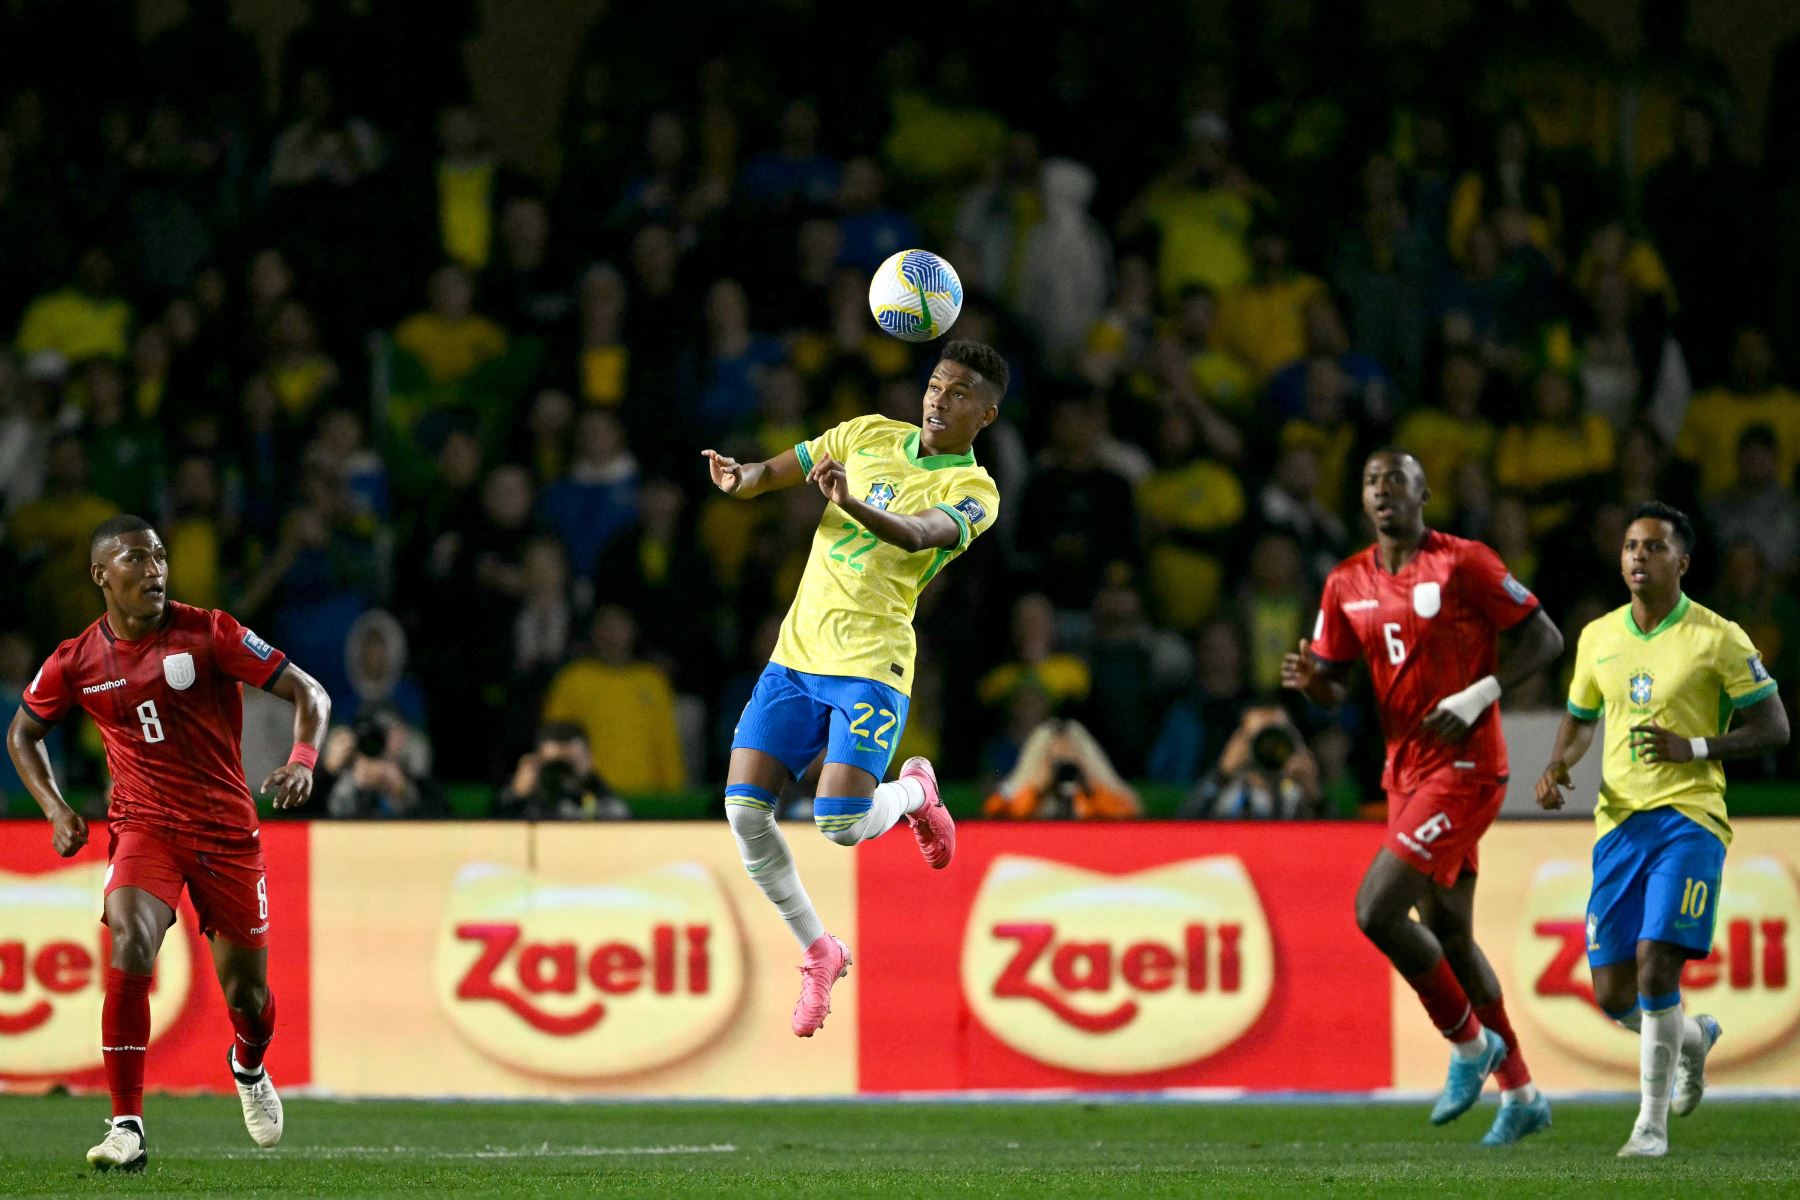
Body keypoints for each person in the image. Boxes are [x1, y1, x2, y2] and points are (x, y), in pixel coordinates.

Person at [4, 516, 330, 1171]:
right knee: (129, 940)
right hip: (143, 826)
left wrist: (301, 760)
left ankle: (248, 1060)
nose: (154, 569)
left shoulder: (210, 632)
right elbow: (22, 734)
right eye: (135, 558)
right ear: (101, 574)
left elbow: (309, 692)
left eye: (159, 557)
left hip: (226, 833)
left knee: (249, 999)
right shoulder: (75, 661)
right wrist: (58, 809)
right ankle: (127, 1125)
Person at [700, 339, 1005, 1037]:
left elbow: (918, 534)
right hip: (796, 653)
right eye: (935, 383)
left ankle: (915, 794)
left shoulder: (975, 492)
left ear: (984, 416)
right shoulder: (867, 433)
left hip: (873, 663)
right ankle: (819, 949)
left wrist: (850, 504)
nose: (938, 398)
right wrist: (741, 478)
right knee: (745, 811)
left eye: (959, 393)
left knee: (838, 823)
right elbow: (787, 467)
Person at [1282, 450, 1565, 1145]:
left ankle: (1470, 1045)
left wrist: (1479, 695)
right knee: (1453, 938)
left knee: (1375, 909)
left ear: (1424, 494)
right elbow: (1334, 681)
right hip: (1405, 769)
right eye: (1372, 482)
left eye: (1396, 481)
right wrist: (1315, 687)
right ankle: (1523, 1094)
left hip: (1468, 766)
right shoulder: (1346, 580)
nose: (1383, 493)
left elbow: (1546, 638)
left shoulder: (1465, 562)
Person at [1537, 502, 1790, 1158]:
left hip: (1690, 819)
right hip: (1618, 824)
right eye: (1629, 546)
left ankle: (1649, 1126)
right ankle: (1695, 1040)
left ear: (1682, 561)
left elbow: (1775, 727)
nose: (1637, 557)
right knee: (1613, 991)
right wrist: (1559, 764)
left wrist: (1698, 749)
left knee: (1656, 964)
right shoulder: (1597, 637)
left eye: (1652, 547)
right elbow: (1581, 717)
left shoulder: (1719, 637)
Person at [983, 717, 1142, 820]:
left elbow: (1126, 816)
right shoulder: (1024, 794)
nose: (1063, 766)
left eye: (1069, 757)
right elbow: (996, 814)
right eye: (1055, 759)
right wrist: (1036, 790)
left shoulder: (1097, 794)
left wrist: (1090, 789)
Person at [496, 721, 627, 821]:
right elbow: (494, 832)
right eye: (556, 764)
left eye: (572, 761)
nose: (563, 771)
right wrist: (517, 794)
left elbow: (622, 825)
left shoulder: (600, 796)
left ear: (589, 759)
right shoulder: (526, 799)